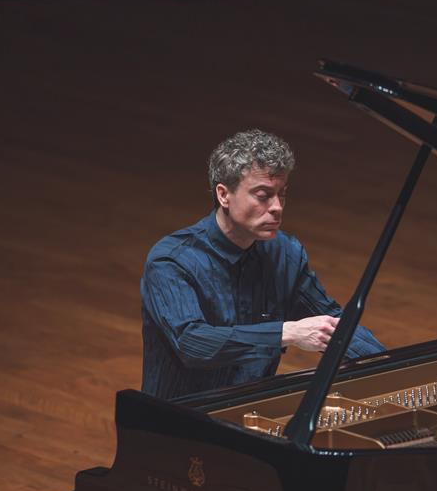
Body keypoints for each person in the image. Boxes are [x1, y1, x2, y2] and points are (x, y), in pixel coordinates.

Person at [140, 129, 386, 399]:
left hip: (253, 413)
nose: (277, 207)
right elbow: (192, 342)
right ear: (224, 195)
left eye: (282, 194)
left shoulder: (285, 254)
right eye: (263, 195)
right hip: (177, 423)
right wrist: (287, 332)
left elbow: (331, 324)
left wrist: (395, 367)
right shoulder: (172, 262)